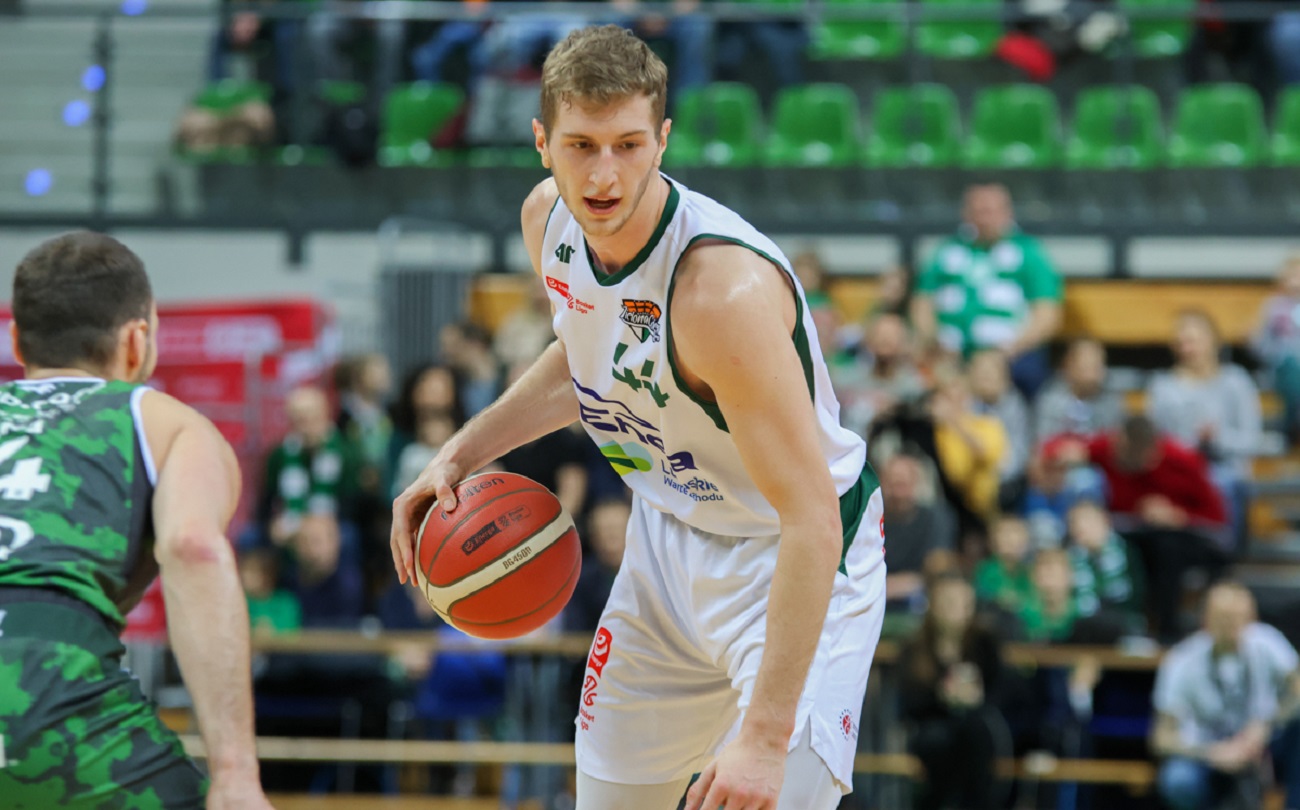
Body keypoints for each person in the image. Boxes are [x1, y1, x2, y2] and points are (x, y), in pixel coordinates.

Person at [391, 25, 885, 810]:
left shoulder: (717, 292)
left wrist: (763, 737)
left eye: (627, 145)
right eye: (581, 146)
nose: (604, 174)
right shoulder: (548, 223)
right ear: (541, 144)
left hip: (789, 555)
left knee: (768, 790)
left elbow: (814, 519)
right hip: (666, 538)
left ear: (663, 139)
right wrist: (460, 453)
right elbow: (589, 356)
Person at [0, 232, 271, 808]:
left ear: (18, 340)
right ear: (136, 341)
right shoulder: (165, 423)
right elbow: (193, 548)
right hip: (44, 683)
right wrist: (235, 774)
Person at [1152, 582, 1300, 810]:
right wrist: (1211, 753)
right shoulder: (1181, 660)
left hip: (1261, 743)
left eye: (1239, 616)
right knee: (1179, 781)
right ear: (1205, 619)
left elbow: (1297, 691)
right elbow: (1161, 738)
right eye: (1223, 617)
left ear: (1252, 618)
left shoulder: (1267, 642)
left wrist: (1266, 725)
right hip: (1206, 752)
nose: (1231, 624)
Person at [911, 183, 1063, 398]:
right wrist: (935, 342)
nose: (984, 219)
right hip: (949, 353)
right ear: (965, 214)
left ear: (1007, 213)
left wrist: (1009, 349)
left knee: (1027, 372)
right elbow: (922, 303)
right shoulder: (946, 250)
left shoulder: (1029, 253)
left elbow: (1047, 314)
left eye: (990, 211)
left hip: (1008, 354)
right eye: (978, 211)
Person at [1147, 309, 1261, 548]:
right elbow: (1155, 440)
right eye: (1181, 343)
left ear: (1213, 341)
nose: (1187, 349)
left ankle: (1221, 554)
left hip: (1224, 465)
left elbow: (1251, 440)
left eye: (1193, 341)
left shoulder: (1236, 382)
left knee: (1221, 481)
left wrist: (1218, 437)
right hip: (1179, 467)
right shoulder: (1163, 387)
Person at [899, 573, 1005, 810]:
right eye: (950, 602)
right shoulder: (914, 647)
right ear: (933, 605)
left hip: (976, 727)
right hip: (931, 729)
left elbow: (1002, 693)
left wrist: (977, 697)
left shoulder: (985, 643)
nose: (958, 611)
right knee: (938, 741)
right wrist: (942, 696)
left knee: (976, 735)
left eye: (964, 604)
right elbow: (908, 704)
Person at [1034, 337, 1124, 444]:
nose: (1092, 376)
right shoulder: (1051, 400)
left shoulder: (1110, 401)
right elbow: (1043, 443)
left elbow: (1116, 442)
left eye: (1096, 367)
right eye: (1086, 367)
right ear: (1069, 366)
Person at [1251, 254, 1300, 445]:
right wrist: (1277, 353)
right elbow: (1258, 343)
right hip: (1280, 368)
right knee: (1291, 368)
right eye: (1292, 276)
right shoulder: (1273, 307)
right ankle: (1291, 425)